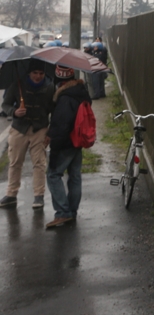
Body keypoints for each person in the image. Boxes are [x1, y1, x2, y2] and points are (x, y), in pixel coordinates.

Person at [0, 59, 55, 209]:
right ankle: (11, 194)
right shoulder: (17, 85)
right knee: (15, 161)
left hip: (40, 128)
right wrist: (14, 112)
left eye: (41, 73)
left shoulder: (50, 87)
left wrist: (50, 131)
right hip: (19, 128)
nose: (38, 76)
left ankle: (39, 195)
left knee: (39, 163)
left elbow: (53, 110)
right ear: (29, 73)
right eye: (35, 73)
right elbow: (5, 104)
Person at [45, 65, 91, 228]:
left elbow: (61, 124)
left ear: (60, 81)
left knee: (53, 174)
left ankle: (63, 212)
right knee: (75, 176)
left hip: (65, 142)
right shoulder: (81, 92)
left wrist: (53, 142)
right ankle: (72, 211)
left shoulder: (65, 98)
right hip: (77, 140)